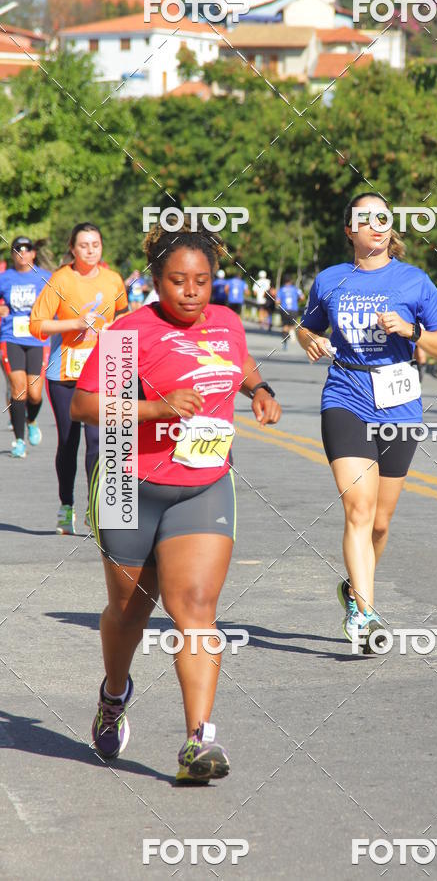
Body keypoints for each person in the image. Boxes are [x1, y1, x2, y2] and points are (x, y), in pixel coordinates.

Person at [71, 221, 281, 782]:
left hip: (203, 482)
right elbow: (86, 407)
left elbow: (238, 363)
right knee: (130, 610)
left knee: (195, 610)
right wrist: (157, 409)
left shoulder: (229, 324)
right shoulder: (130, 332)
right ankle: (114, 694)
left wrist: (259, 390)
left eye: (202, 281)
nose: (191, 291)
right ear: (156, 282)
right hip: (127, 483)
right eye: (178, 281)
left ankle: (199, 740)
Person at [297, 192, 437, 651]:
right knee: (359, 510)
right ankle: (365, 613)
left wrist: (412, 331)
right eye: (364, 219)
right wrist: (307, 337)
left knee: (380, 524)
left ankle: (353, 587)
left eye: (382, 218)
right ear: (349, 230)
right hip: (345, 396)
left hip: (400, 402)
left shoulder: (414, 282)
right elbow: (307, 325)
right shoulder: (330, 281)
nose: (376, 225)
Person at [29, 222, 128, 534]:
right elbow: (37, 325)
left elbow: (123, 314)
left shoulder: (113, 279)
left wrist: (116, 329)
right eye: (84, 245)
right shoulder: (61, 278)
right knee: (69, 442)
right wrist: (75, 323)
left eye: (95, 244)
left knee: (100, 441)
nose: (90, 250)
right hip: (65, 373)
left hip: (106, 369)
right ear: (72, 248)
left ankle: (95, 506)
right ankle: (66, 504)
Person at [0, 237, 52, 457]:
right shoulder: (5, 278)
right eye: (17, 249)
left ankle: (31, 421)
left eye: (27, 249)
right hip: (11, 337)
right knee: (18, 389)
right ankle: (19, 441)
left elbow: (57, 306)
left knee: (35, 393)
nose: (22, 253)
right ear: (12, 254)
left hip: (37, 339)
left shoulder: (45, 278)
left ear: (33, 253)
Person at [276, 274, 305, 350]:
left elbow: (277, 301)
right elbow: (302, 297)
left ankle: (285, 343)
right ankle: (292, 335)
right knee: (292, 325)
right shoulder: (295, 289)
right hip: (293, 309)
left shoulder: (281, 290)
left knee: (285, 326)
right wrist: (296, 300)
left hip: (284, 309)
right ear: (291, 281)